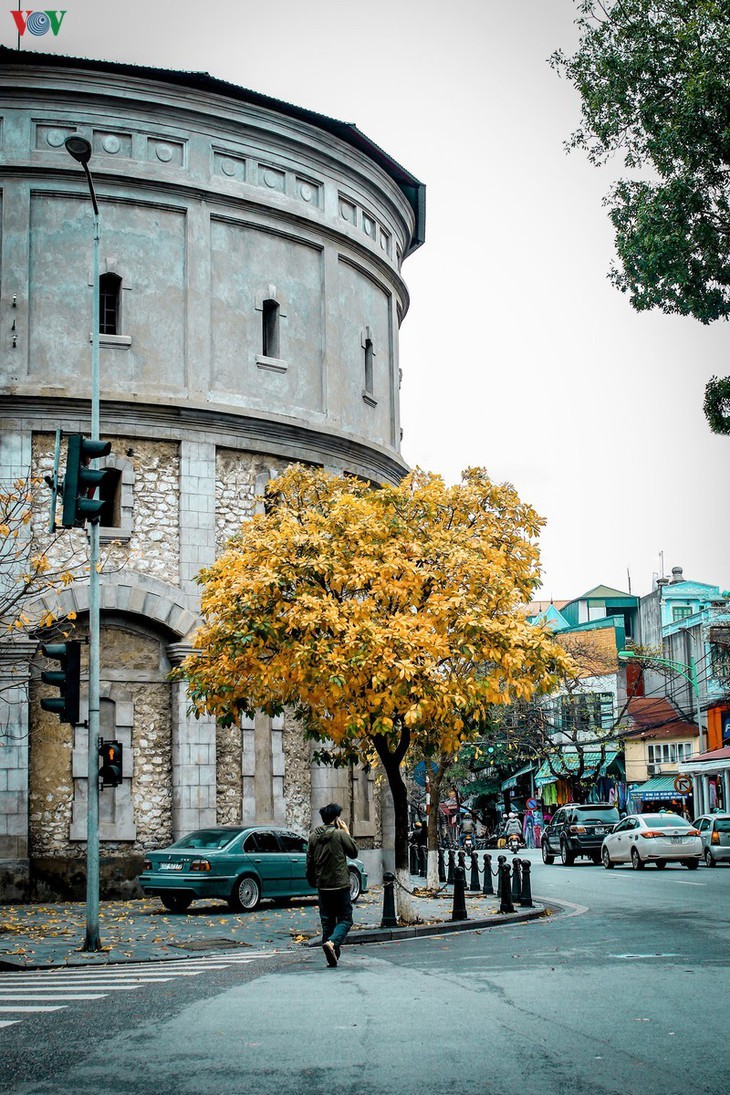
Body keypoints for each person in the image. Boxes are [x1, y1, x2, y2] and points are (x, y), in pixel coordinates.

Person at [306, 802, 358, 968]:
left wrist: (313, 880)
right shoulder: (339, 835)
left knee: (327, 922)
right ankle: (332, 943)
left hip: (323, 886)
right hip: (340, 885)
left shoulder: (313, 836)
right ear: (336, 819)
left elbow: (309, 862)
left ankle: (332, 955)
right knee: (346, 919)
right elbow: (354, 852)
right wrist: (347, 833)